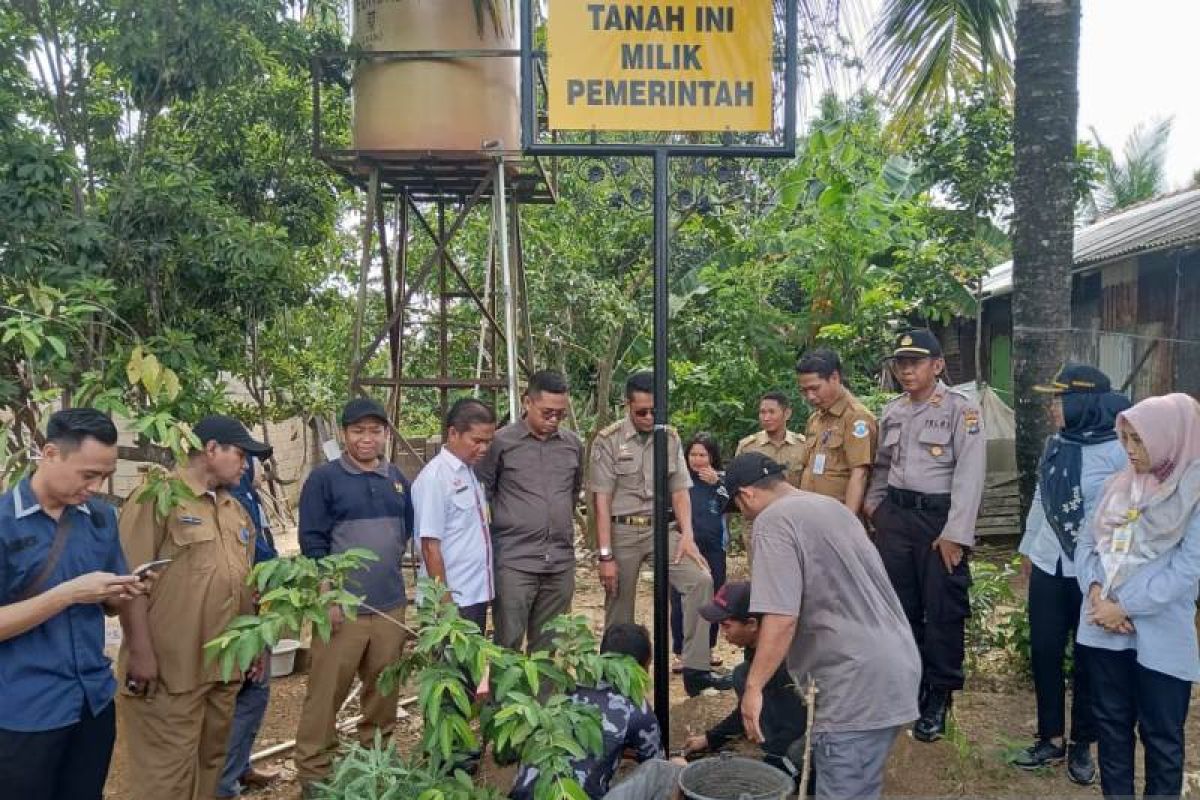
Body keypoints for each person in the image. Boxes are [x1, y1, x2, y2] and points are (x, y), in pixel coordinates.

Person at [725, 453, 920, 800]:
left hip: (854, 682)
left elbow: (782, 617)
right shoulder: (833, 508)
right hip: (893, 666)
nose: (744, 515)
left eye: (739, 506)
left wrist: (753, 688)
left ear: (747, 494)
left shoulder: (773, 521)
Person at [117, 415, 271, 800]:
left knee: (210, 769)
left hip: (222, 673)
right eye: (240, 453)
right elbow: (129, 583)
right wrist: (140, 653)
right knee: (164, 780)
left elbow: (245, 582)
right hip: (170, 672)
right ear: (211, 449)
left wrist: (251, 643)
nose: (246, 464)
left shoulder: (235, 509)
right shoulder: (157, 498)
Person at [0, 409, 150, 800]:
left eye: (105, 475)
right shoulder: (4, 523)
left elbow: (110, 605)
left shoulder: (99, 518)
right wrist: (68, 594)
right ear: (50, 454)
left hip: (92, 701)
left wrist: (123, 591)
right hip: (23, 711)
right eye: (88, 475)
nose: (97, 486)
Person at [1074, 393, 1200, 800]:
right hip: (1102, 626)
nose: (1129, 450)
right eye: (1125, 438)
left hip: (1160, 632)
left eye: (1139, 440)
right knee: (1111, 729)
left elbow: (1186, 570)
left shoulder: (1193, 493)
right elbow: (1085, 544)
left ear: (1170, 438)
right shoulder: (1118, 486)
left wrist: (1123, 607)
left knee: (1162, 736)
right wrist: (1095, 592)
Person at [863, 328, 986, 742]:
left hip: (939, 525)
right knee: (900, 609)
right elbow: (882, 465)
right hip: (895, 519)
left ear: (938, 365)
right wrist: (875, 505)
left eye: (915, 362)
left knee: (943, 612)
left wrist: (957, 533)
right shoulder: (893, 410)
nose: (906, 370)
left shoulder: (960, 410)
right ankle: (908, 687)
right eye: (901, 363)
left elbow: (970, 475)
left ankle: (939, 697)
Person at [1011, 365, 1129, 783]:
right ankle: (1049, 737)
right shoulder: (1055, 444)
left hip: (1093, 572)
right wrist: (1028, 548)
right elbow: (1043, 498)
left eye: (1059, 400)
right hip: (1049, 562)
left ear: (1085, 402)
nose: (1052, 408)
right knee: (1044, 650)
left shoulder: (1119, 450)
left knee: (1088, 657)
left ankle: (1082, 744)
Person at [294, 398, 414, 796]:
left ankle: (373, 762)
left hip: (388, 606)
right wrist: (327, 597)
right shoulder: (324, 479)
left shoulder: (396, 479)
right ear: (345, 434)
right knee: (326, 693)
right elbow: (312, 543)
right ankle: (315, 773)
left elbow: (404, 536)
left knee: (383, 692)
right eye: (358, 430)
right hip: (342, 609)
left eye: (375, 430)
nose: (367, 438)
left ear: (385, 434)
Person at [590, 371, 729, 697]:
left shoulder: (669, 438)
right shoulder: (608, 440)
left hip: (661, 529)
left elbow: (680, 491)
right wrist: (605, 555)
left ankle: (696, 668)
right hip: (622, 530)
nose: (649, 417)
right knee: (619, 605)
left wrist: (688, 536)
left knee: (700, 580)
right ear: (627, 405)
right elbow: (601, 499)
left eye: (655, 411)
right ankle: (616, 680)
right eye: (641, 412)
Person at [477, 371, 583, 652]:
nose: (553, 420)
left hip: (559, 562)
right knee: (508, 643)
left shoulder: (572, 445)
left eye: (560, 414)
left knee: (549, 646)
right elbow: (482, 494)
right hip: (515, 561)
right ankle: (506, 697)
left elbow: (572, 493)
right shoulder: (500, 443)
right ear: (527, 403)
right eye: (547, 412)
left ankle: (545, 698)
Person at [510, 623, 663, 800]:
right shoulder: (637, 709)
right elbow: (656, 764)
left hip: (523, 793)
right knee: (663, 774)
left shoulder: (570, 690)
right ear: (642, 668)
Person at [682, 582, 807, 775]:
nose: (723, 634)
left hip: (811, 735)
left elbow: (797, 725)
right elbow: (746, 708)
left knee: (796, 756)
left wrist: (768, 767)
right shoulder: (755, 649)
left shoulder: (785, 665)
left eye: (726, 625)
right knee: (743, 674)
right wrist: (710, 739)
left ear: (752, 624)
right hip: (789, 720)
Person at [217, 456, 281, 797]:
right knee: (247, 692)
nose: (259, 468)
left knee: (253, 691)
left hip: (255, 606)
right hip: (242, 611)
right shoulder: (234, 497)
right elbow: (259, 555)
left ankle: (239, 767)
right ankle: (225, 781)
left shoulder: (247, 496)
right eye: (254, 459)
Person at [412, 397, 497, 630]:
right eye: (477, 441)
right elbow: (430, 547)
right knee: (448, 666)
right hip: (451, 601)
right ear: (453, 434)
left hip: (473, 595)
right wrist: (444, 604)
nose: (483, 449)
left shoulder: (470, 472)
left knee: (468, 667)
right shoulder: (435, 478)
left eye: (488, 442)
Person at [795, 348, 878, 515]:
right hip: (811, 512)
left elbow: (860, 474)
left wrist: (847, 522)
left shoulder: (856, 417)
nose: (810, 397)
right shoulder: (815, 419)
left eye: (815, 388)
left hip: (837, 516)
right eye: (804, 391)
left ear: (835, 377)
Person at [670, 433, 727, 673]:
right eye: (693, 454)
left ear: (712, 456)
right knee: (680, 600)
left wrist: (718, 484)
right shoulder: (679, 481)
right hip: (683, 546)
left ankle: (708, 648)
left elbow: (735, 503)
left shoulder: (722, 480)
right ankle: (680, 651)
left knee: (714, 598)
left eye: (702, 454)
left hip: (714, 547)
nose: (697, 459)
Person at [734, 391, 806, 487]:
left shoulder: (803, 445)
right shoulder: (748, 447)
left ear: (787, 414)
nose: (766, 418)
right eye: (762, 412)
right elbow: (737, 482)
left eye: (772, 412)